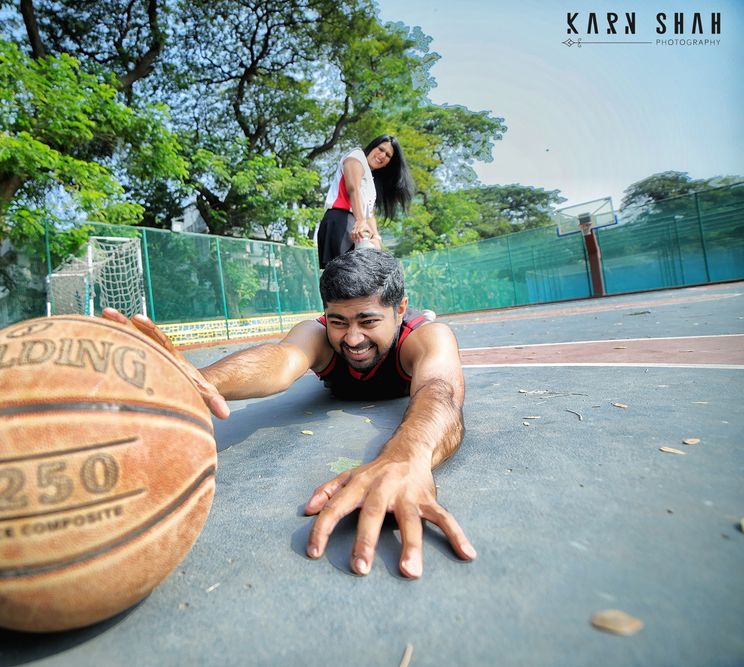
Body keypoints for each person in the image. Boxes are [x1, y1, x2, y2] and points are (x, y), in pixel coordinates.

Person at [103, 249, 475, 579]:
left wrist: (407, 456)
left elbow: (439, 393)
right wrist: (195, 380)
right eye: (339, 321)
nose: (352, 339)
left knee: (432, 332)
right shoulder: (318, 335)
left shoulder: (425, 337)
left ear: (398, 309)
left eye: (368, 321)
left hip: (413, 351)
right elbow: (279, 361)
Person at [316, 134, 414, 269]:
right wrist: (361, 221)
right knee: (339, 276)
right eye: (380, 149)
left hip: (354, 226)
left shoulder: (370, 181)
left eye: (388, 155)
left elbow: (370, 212)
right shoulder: (356, 157)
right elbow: (353, 189)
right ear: (373, 146)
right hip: (340, 221)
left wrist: (376, 238)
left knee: (356, 278)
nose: (382, 155)